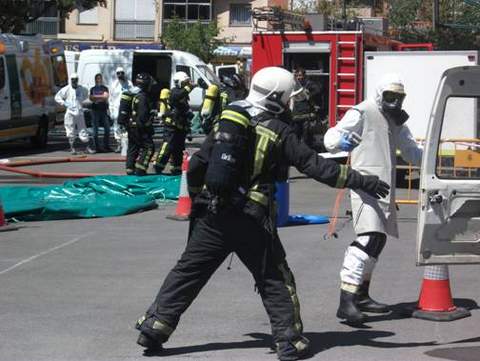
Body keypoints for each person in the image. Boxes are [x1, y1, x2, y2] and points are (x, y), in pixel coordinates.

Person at [135, 66, 390, 360]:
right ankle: (289, 342)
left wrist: (199, 205)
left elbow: (196, 166)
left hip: (213, 215)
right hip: (251, 219)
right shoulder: (278, 130)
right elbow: (316, 167)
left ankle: (154, 328)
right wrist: (362, 181)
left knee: (188, 273)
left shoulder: (228, 118)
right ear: (277, 97)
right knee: (275, 279)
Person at [324, 73, 423, 324]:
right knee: (367, 239)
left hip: (383, 187)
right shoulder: (362, 111)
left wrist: (433, 160)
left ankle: (361, 294)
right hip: (364, 185)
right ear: (380, 93)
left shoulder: (396, 119)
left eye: (399, 97)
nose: (394, 101)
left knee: (377, 241)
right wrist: (341, 141)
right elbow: (331, 137)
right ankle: (346, 300)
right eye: (390, 96)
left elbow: (411, 150)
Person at [153, 71, 194, 175]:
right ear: (178, 82)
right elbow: (176, 98)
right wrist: (190, 87)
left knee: (179, 148)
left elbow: (184, 109)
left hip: (180, 126)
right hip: (171, 125)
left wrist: (188, 123)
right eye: (185, 83)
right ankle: (158, 165)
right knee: (168, 146)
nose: (187, 85)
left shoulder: (184, 95)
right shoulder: (174, 92)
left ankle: (176, 168)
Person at [122, 73, 155, 175]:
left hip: (130, 125)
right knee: (149, 147)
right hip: (139, 127)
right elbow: (143, 116)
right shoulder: (142, 97)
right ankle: (141, 169)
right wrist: (149, 128)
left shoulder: (132, 94)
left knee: (133, 147)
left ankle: (129, 169)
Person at [55, 73, 94, 155]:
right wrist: (64, 103)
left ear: (77, 80)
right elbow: (57, 97)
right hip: (70, 113)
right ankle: (72, 148)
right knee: (70, 130)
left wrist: (79, 103)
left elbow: (86, 95)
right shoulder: (66, 89)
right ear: (70, 80)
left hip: (79, 112)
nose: (74, 81)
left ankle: (87, 147)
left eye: (75, 80)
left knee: (83, 129)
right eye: (72, 79)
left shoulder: (82, 89)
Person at [292, 67, 326, 152]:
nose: (299, 77)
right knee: (295, 135)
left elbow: (319, 89)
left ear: (304, 75)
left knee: (306, 137)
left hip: (306, 116)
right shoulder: (294, 85)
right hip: (296, 116)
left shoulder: (309, 84)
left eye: (300, 75)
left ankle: (306, 152)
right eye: (297, 75)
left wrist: (309, 94)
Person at [109, 67, 134, 153]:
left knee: (127, 127)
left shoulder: (129, 84)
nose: (120, 75)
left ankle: (126, 146)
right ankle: (119, 144)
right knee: (116, 127)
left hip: (127, 109)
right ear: (116, 74)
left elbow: (133, 95)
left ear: (124, 73)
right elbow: (111, 99)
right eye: (118, 73)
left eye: (122, 73)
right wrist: (111, 110)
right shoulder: (113, 85)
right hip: (116, 109)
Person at [89, 73, 111, 152]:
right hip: (95, 111)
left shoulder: (105, 88)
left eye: (100, 78)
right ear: (95, 80)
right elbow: (91, 98)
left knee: (107, 129)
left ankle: (106, 146)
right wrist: (101, 97)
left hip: (104, 110)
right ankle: (97, 147)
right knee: (95, 130)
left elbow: (106, 97)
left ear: (102, 79)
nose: (99, 80)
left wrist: (96, 98)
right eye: (97, 78)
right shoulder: (92, 89)